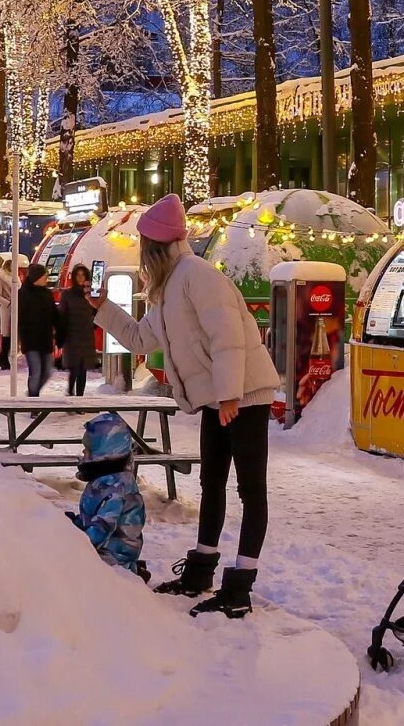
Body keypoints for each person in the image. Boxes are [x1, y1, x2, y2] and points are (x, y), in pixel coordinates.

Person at [90, 193, 280, 619]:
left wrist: (230, 394)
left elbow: (227, 335)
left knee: (250, 489)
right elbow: (141, 340)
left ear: (155, 248)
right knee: (211, 483)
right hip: (220, 397)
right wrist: (105, 310)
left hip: (244, 395)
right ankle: (200, 570)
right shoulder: (167, 289)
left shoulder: (197, 276)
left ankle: (240, 584)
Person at [69, 413, 150, 583]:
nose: (83, 452)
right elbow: (93, 519)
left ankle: (131, 573)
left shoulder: (116, 489)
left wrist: (73, 543)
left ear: (105, 453)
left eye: (89, 449)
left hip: (114, 557)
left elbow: (101, 530)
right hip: (107, 549)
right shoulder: (105, 481)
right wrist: (72, 525)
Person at [17, 264, 59, 397]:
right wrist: (21, 338)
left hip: (45, 339)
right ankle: (33, 401)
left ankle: (32, 393)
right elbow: (20, 317)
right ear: (37, 277)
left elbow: (54, 314)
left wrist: (60, 330)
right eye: (44, 275)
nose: (46, 278)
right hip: (30, 340)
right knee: (36, 371)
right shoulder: (23, 294)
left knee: (47, 371)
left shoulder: (47, 293)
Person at [59, 264, 99, 396]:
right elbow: (63, 314)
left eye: (83, 275)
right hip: (72, 335)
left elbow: (97, 310)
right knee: (74, 367)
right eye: (78, 275)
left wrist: (93, 323)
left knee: (83, 368)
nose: (80, 278)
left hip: (86, 334)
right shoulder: (68, 294)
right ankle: (70, 392)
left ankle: (79, 398)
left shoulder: (90, 294)